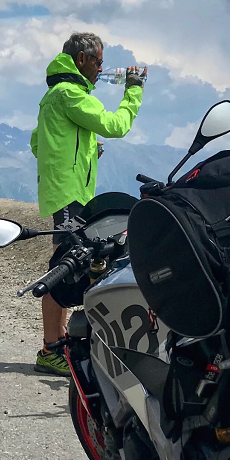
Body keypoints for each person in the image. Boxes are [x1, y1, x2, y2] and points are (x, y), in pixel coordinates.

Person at [30, 32, 144, 375]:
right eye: (97, 62)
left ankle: (59, 343)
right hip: (71, 196)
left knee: (68, 267)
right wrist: (134, 90)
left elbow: (39, 142)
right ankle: (51, 350)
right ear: (81, 60)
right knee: (61, 270)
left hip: (64, 193)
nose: (101, 69)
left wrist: (82, 151)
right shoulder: (70, 94)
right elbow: (116, 124)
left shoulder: (54, 94)